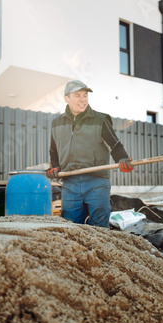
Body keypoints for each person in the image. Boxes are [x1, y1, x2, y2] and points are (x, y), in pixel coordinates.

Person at [46, 80, 134, 227]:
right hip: (70, 181)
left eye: (85, 95)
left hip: (96, 181)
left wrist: (123, 159)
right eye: (77, 95)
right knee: (71, 226)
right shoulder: (57, 123)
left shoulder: (100, 119)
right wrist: (55, 166)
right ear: (66, 98)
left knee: (99, 226)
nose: (83, 99)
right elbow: (53, 150)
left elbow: (115, 144)